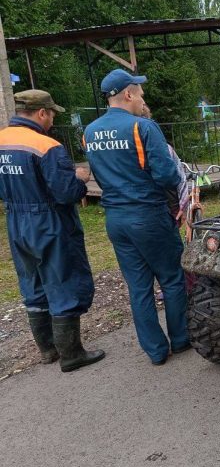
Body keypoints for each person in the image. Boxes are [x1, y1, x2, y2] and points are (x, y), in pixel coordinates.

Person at [83, 69, 190, 366]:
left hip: (115, 218)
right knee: (172, 278)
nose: (143, 99)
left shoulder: (90, 131)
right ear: (128, 94)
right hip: (148, 214)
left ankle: (155, 351)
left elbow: (98, 173)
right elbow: (167, 174)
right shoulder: (143, 127)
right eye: (140, 94)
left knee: (139, 286)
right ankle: (181, 339)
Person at [0, 90, 105, 372]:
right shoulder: (46, 145)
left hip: (16, 220)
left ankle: (47, 349)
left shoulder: (2, 140)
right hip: (48, 221)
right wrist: (79, 178)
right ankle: (71, 354)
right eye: (52, 114)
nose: (52, 120)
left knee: (32, 282)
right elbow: (65, 192)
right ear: (41, 112)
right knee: (63, 280)